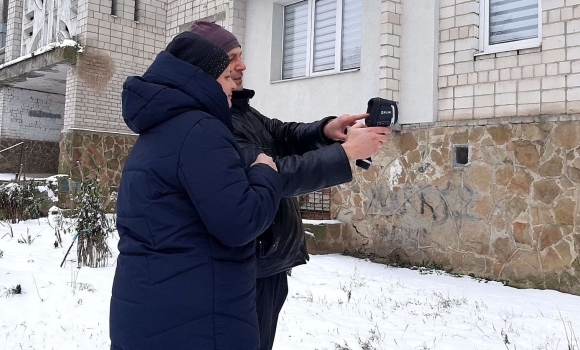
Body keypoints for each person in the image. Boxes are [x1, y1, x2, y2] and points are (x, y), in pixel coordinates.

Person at [190, 22, 392, 350]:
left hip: (266, 261)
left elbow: (278, 133)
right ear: (207, 67)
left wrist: (325, 130)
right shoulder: (213, 120)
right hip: (244, 265)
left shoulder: (238, 109)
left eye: (241, 56)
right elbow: (271, 176)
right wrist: (346, 154)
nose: (242, 65)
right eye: (232, 58)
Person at [109, 32, 283, 350]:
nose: (235, 86)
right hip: (198, 323)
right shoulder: (200, 131)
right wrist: (264, 172)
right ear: (204, 79)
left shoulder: (158, 130)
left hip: (151, 313)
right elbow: (239, 222)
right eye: (227, 77)